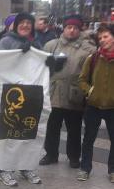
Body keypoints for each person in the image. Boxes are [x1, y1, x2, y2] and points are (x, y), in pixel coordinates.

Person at [40, 14, 96, 168]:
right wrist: (48, 64)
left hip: (75, 96)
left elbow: (92, 72)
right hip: (54, 94)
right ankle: (51, 154)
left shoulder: (88, 49)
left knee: (74, 130)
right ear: (63, 29)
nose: (71, 31)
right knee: (52, 128)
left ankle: (73, 157)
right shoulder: (51, 45)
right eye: (69, 27)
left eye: (75, 28)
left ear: (80, 30)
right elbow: (40, 68)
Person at [0, 12, 42, 186]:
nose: (25, 25)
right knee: (11, 133)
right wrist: (17, 54)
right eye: (21, 22)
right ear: (16, 25)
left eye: (28, 23)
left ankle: (26, 166)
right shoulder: (6, 41)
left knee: (29, 132)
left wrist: (52, 64)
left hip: (32, 94)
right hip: (11, 93)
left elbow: (42, 67)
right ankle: (5, 170)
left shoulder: (36, 43)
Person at [77, 24, 114, 181]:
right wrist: (89, 91)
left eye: (106, 36)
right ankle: (85, 168)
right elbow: (82, 80)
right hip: (93, 106)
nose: (102, 40)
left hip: (112, 107)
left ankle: (112, 171)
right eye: (100, 38)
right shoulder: (93, 58)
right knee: (88, 139)